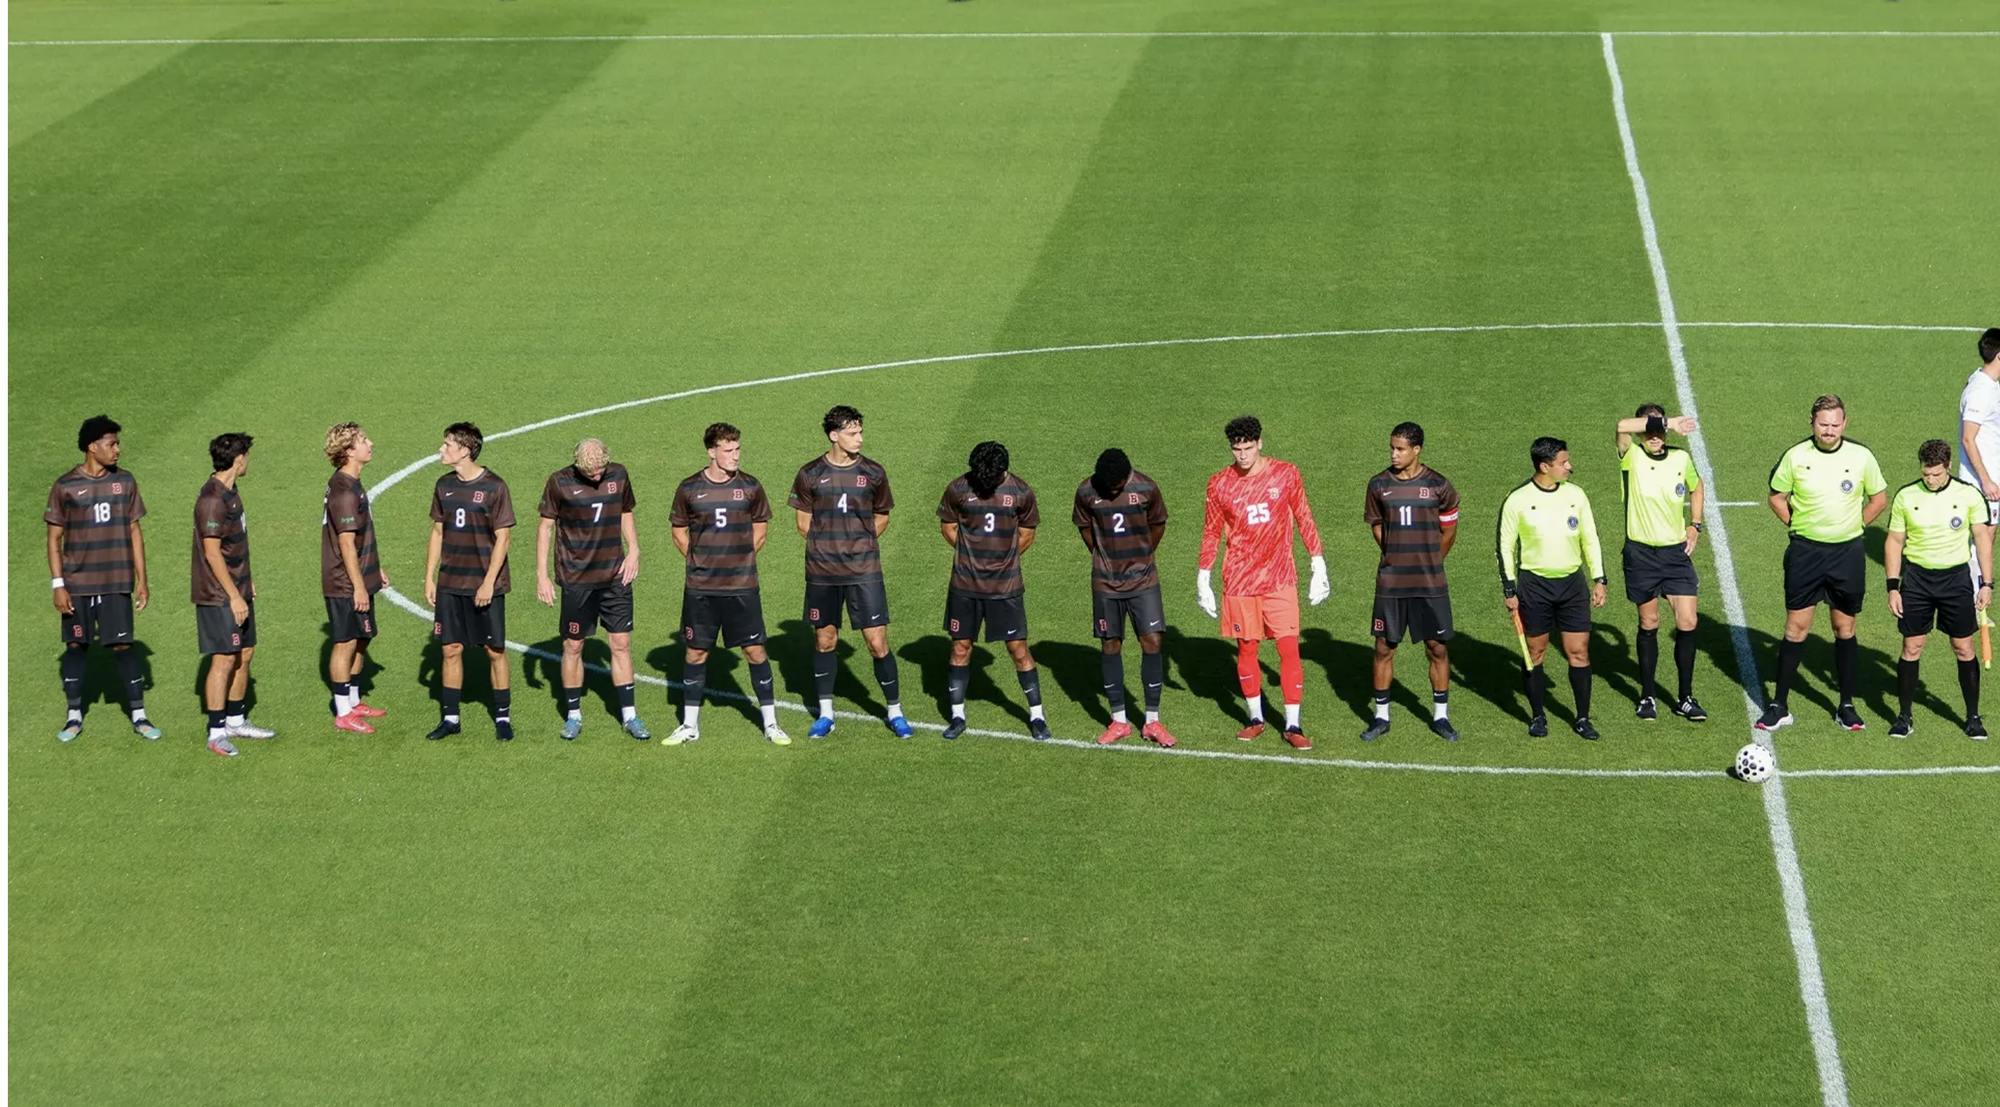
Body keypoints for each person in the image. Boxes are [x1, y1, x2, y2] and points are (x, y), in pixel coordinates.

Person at [1197, 415, 1328, 750]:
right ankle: (1255, 718)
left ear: (1260, 443)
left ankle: (1293, 724)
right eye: (1236, 448)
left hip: (1279, 577)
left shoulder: (1285, 474)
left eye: (1248, 447)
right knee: (1247, 648)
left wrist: (1318, 563)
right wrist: (1203, 575)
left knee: (1288, 649)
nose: (1242, 454)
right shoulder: (1219, 483)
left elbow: (1303, 515)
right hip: (1239, 580)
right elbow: (1211, 530)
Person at [1761, 395, 1888, 731]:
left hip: (1846, 554)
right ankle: (1779, 705)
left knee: (1844, 628)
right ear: (1812, 422)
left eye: (1835, 424)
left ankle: (1846, 705)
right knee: (1795, 628)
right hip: (1806, 554)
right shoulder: (1796, 456)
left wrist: (1858, 524)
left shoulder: (1861, 456)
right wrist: (1795, 524)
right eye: (1823, 424)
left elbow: (1879, 498)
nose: (1829, 430)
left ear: (1845, 423)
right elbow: (1776, 496)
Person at [789, 405, 911, 739]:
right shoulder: (810, 474)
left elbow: (882, 516)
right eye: (852, 432)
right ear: (834, 435)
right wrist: (830, 547)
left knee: (877, 641)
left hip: (864, 571)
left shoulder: (873, 473)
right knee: (825, 640)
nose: (859, 438)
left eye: (860, 432)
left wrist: (858, 545)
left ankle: (895, 711)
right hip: (823, 573)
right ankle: (826, 714)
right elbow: (803, 523)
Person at [665, 422, 788, 746]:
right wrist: (697, 560)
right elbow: (678, 530)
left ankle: (771, 724)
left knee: (755, 650)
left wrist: (744, 557)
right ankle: (690, 725)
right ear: (712, 452)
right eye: (729, 450)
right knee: (696, 653)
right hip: (702, 588)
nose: (735, 456)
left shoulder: (750, 486)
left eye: (738, 449)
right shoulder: (690, 488)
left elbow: (761, 527)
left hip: (741, 586)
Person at [47, 415, 160, 743]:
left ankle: (139, 715)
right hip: (78, 585)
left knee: (124, 645)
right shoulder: (65, 485)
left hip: (115, 581)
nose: (117, 450)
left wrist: (143, 579)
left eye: (117, 443)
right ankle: (73, 716)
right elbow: (53, 539)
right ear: (92, 446)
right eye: (111, 444)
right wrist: (58, 584)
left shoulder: (125, 482)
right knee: (76, 645)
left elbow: (134, 531)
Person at [1497, 436, 1608, 740]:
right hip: (1534, 586)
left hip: (1572, 585)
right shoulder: (1517, 500)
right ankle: (1537, 716)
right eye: (1563, 463)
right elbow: (1505, 546)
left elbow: (1590, 538)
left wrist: (1599, 578)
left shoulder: (1576, 495)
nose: (1570, 467)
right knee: (1535, 651)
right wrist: (1510, 590)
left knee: (1579, 652)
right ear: (1544, 466)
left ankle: (1582, 718)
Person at [536, 437, 647, 741]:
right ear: (578, 464)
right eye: (590, 472)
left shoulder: (619, 474)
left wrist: (634, 548)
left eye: (600, 469)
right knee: (574, 645)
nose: (597, 475)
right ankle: (573, 715)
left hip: (615, 575)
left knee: (621, 643)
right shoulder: (559, 482)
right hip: (577, 579)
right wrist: (542, 575)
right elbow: (546, 526)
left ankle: (630, 715)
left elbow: (626, 511)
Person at [1885, 439, 1994, 739]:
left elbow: (1983, 540)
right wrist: (1893, 587)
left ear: (1947, 467)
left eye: (1936, 474)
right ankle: (1904, 717)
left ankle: (1972, 717)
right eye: (1926, 474)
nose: (1931, 480)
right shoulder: (1907, 496)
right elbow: (1894, 541)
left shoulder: (1968, 495)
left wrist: (1986, 583)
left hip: (1956, 580)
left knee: (1963, 647)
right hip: (1917, 580)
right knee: (1912, 647)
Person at [937, 441, 1046, 740]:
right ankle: (957, 716)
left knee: (1018, 649)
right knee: (961, 647)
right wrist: (970, 556)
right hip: (965, 586)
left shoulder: (1021, 492)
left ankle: (1037, 715)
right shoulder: (958, 489)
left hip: (1005, 588)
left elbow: (1027, 532)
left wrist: (1004, 559)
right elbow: (948, 526)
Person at [1361, 422, 1461, 742]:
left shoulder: (1439, 486)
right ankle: (1380, 717)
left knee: (1437, 648)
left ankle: (1441, 717)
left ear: (1416, 450)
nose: (1394, 454)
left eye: (1400, 449)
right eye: (1392, 447)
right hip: (1391, 583)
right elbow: (1377, 527)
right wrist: (1395, 554)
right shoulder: (1378, 485)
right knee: (1384, 647)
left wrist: (1430, 559)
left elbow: (1449, 531)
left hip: (1429, 583)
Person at [1612, 404, 1708, 723]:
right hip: (1641, 554)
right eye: (1649, 429)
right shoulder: (1631, 455)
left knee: (1688, 622)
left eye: (1659, 430)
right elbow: (1622, 425)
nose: (1654, 435)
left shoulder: (1681, 459)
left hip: (1674, 555)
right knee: (1649, 623)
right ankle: (1648, 695)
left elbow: (1697, 487)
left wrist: (1695, 524)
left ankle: (1684, 697)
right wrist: (1663, 421)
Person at [1074, 448, 1174, 747]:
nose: (1113, 490)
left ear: (1127, 476)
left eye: (1117, 486)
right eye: (1109, 487)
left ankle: (1152, 721)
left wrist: (1142, 554)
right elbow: (1085, 529)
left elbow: (1158, 524)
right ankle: (1119, 721)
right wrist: (1105, 557)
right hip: (1106, 583)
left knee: (1153, 641)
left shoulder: (1145, 487)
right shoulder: (1086, 491)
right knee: (1110, 643)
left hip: (1143, 580)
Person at [424, 422, 516, 741]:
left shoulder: (495, 487)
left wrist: (489, 582)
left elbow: (503, 539)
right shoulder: (443, 486)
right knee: (450, 649)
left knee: (494, 650)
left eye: (447, 444)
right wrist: (430, 577)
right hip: (451, 583)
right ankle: (451, 719)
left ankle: (502, 718)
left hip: (484, 584)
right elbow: (438, 532)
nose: (441, 449)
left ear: (465, 450)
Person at [192, 433, 272, 756]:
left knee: (245, 652)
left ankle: (237, 720)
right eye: (247, 456)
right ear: (239, 459)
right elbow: (212, 553)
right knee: (224, 658)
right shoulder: (212, 499)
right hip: (218, 594)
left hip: (237, 586)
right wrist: (234, 596)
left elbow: (233, 543)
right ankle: (216, 732)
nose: (248, 461)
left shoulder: (231, 491)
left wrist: (246, 583)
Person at [322, 423, 389, 734]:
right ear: (349, 450)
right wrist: (359, 585)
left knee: (362, 638)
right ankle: (343, 712)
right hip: (344, 582)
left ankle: (353, 699)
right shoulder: (345, 492)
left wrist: (374, 569)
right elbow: (347, 543)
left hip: (359, 575)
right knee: (346, 641)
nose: (370, 443)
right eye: (363, 440)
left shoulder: (352, 483)